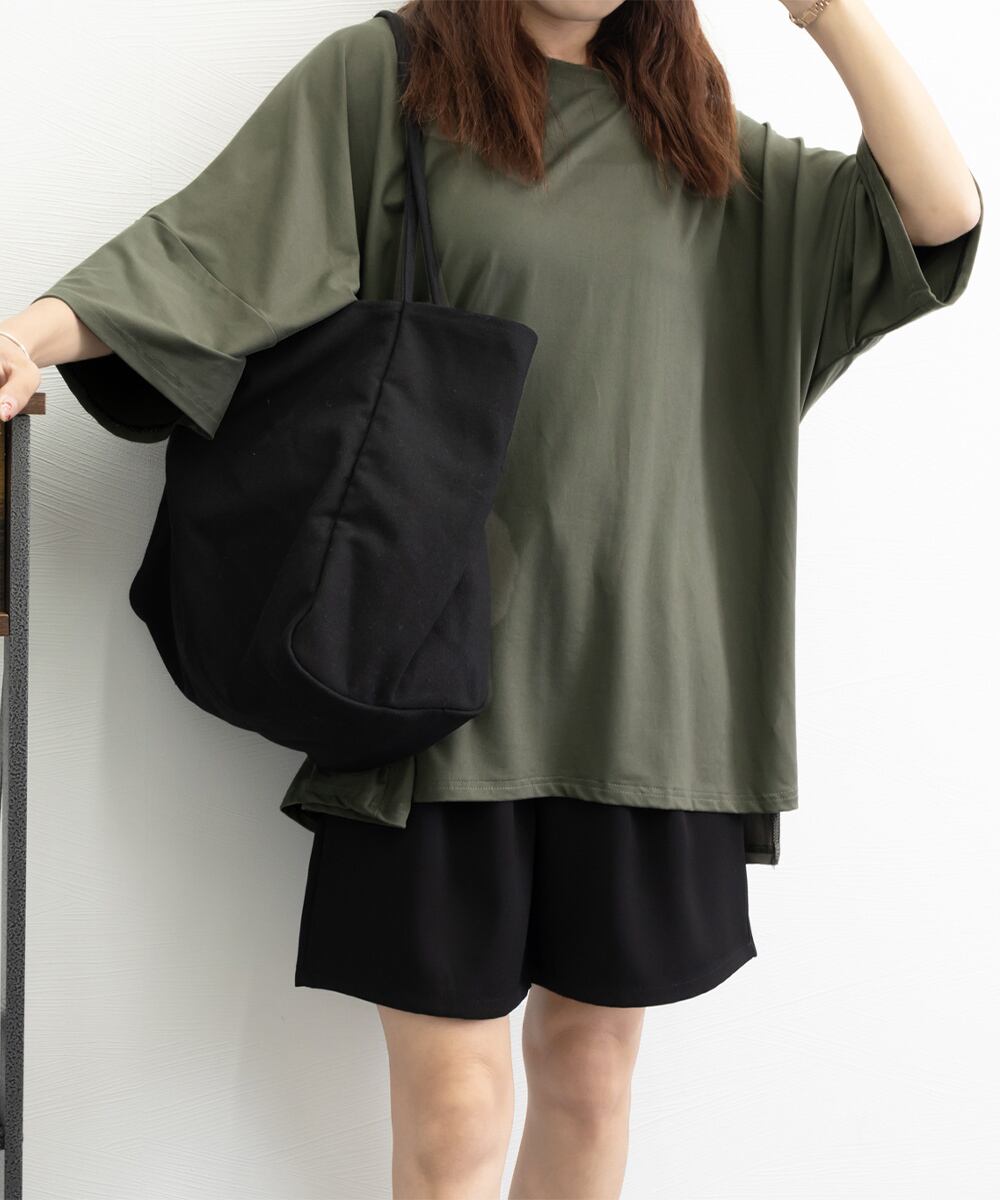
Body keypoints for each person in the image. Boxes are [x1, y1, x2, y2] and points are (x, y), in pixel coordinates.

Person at [0, 1, 983, 1196]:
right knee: (456, 1114)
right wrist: (32, 336)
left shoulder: (706, 145)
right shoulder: (390, 79)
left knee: (589, 1073)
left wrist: (827, 15)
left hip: (645, 699)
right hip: (429, 683)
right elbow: (208, 249)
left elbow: (934, 217)